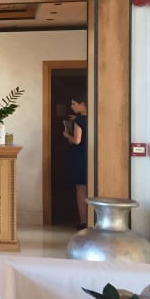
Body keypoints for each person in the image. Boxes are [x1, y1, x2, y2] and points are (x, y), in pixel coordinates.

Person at [62, 96, 88, 229]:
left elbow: (77, 140)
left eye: (74, 104)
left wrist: (67, 135)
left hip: (80, 157)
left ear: (82, 104)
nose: (72, 107)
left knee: (81, 189)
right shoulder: (93, 118)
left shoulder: (79, 120)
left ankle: (84, 221)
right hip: (90, 156)